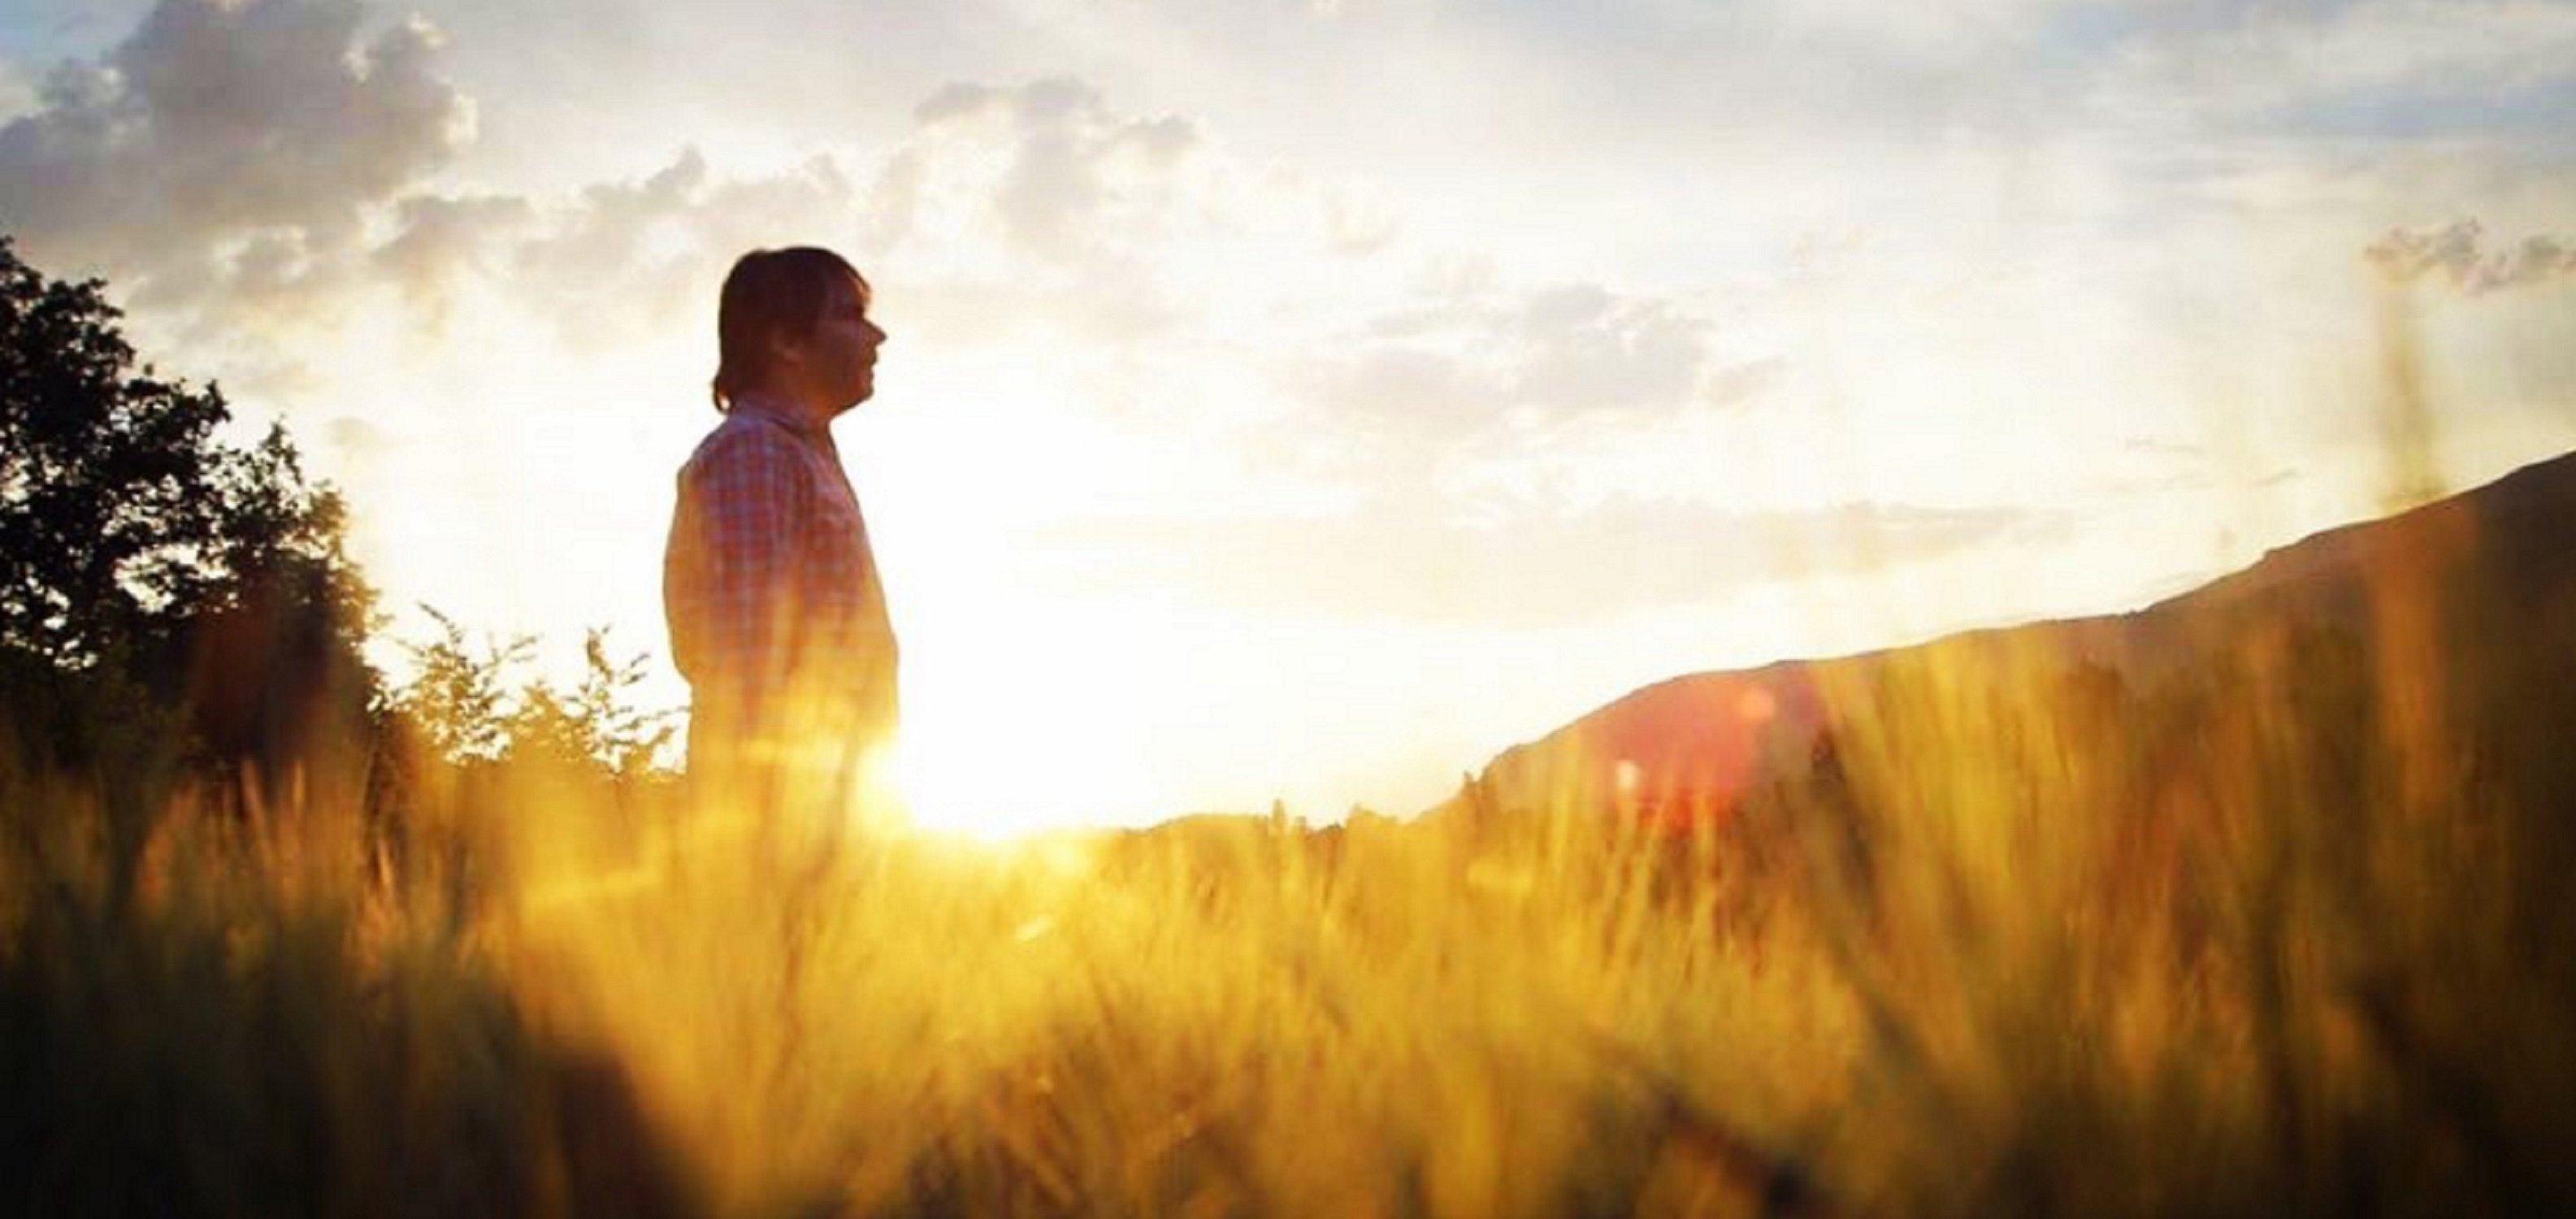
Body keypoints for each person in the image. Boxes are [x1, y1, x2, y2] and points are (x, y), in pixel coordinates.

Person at [663, 246, 897, 821]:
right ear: (786, 343)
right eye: (850, 315)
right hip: (784, 808)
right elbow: (748, 651)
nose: (877, 335)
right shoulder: (756, 451)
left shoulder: (801, 455)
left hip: (831, 795)